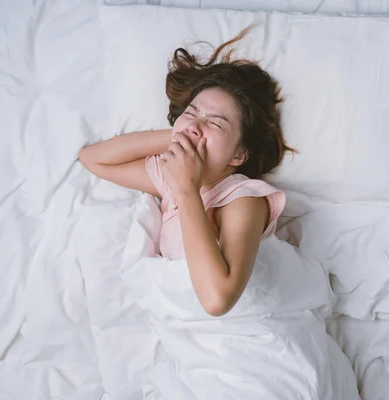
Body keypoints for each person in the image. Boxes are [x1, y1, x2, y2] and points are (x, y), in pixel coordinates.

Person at [79, 25, 293, 317]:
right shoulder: (171, 177)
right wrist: (182, 134)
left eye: (216, 123)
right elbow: (93, 159)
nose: (195, 124)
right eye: (191, 112)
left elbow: (217, 300)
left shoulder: (242, 200)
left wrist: (186, 189)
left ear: (239, 154)